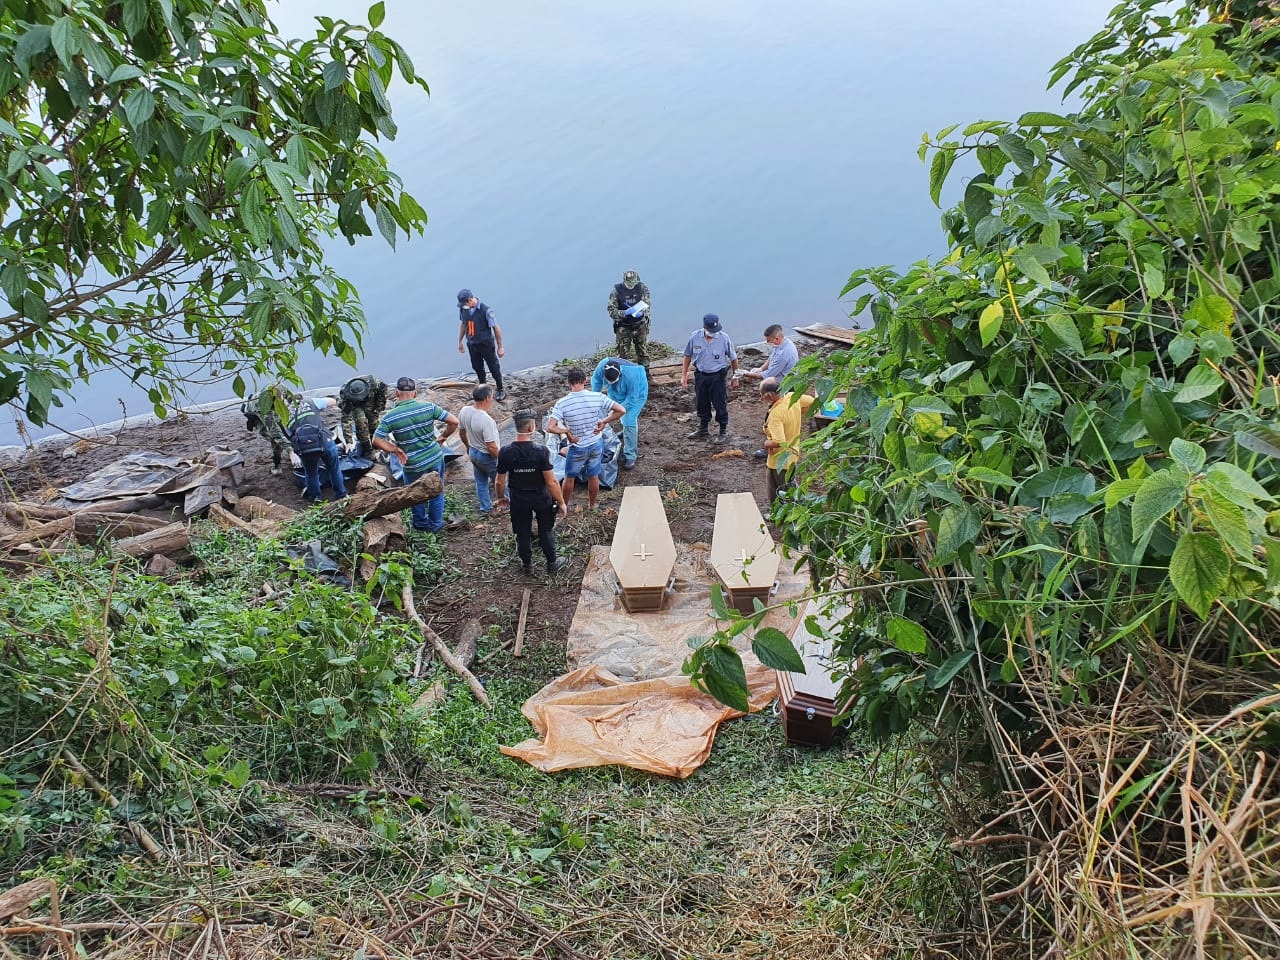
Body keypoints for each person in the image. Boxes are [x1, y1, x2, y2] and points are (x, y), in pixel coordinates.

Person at [371, 376, 459, 533]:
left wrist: (395, 449)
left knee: (415, 493)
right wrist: (443, 437)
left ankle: (420, 524)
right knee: (437, 492)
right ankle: (436, 526)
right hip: (434, 457)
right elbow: (454, 422)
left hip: (412, 464)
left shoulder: (390, 416)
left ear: (396, 393)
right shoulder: (428, 407)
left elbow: (376, 440)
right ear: (415, 393)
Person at [496, 410, 569, 576]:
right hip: (541, 498)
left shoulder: (505, 452)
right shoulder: (541, 451)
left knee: (522, 532)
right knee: (546, 530)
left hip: (518, 498)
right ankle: (552, 564)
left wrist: (501, 498)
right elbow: (551, 481)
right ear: (531, 426)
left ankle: (527, 566)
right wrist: (561, 501)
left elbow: (499, 481)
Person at [546, 367, 625, 510]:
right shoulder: (597, 397)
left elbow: (550, 427)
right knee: (593, 476)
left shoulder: (562, 403)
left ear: (568, 382)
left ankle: (563, 506)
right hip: (596, 443)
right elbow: (621, 410)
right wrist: (605, 421)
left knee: (569, 477)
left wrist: (566, 431)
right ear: (585, 380)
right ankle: (592, 505)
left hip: (577, 447)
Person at [680, 313, 738, 443]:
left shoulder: (724, 338)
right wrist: (684, 375)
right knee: (701, 402)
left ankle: (722, 430)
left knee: (720, 404)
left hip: (717, 376)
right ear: (704, 327)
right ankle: (703, 428)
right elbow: (687, 356)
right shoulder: (695, 337)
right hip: (701, 375)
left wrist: (735, 377)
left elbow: (733, 358)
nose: (713, 333)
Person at [761, 377, 815, 502]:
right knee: (774, 486)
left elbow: (780, 441)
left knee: (786, 489)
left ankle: (795, 511)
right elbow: (812, 401)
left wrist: (766, 443)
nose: (761, 397)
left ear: (769, 395)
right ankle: (777, 513)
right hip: (791, 454)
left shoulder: (776, 414)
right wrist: (799, 413)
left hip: (781, 459)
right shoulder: (792, 397)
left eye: (762, 394)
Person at [589, 356, 648, 471]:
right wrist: (595, 401)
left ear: (620, 374)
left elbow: (632, 399)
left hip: (636, 395)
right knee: (620, 414)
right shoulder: (602, 366)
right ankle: (625, 431)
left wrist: (612, 413)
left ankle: (630, 455)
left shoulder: (633, 376)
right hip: (616, 393)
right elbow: (596, 381)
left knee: (629, 420)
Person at [287, 394, 348, 502]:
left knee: (311, 473)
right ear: (301, 398)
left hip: (305, 447)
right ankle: (341, 495)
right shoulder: (310, 400)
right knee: (334, 469)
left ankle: (316, 499)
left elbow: (288, 435)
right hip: (324, 441)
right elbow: (331, 401)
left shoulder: (285, 413)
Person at [458, 384, 502, 515]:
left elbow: (461, 433)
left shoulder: (464, 411)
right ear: (487, 398)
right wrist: (502, 459)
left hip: (473, 451)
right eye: (492, 397)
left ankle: (485, 507)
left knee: (481, 482)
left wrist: (468, 447)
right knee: (500, 481)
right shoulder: (486, 420)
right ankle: (506, 505)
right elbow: (491, 446)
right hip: (486, 455)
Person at [456, 288, 506, 402]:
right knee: (477, 367)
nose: (463, 306)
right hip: (472, 344)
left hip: (486, 343)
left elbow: (496, 328)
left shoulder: (486, 311)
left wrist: (500, 346)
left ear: (470, 300)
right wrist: (460, 341)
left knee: (493, 366)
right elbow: (463, 324)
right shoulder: (463, 310)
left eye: (464, 304)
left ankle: (500, 388)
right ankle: (483, 388)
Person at [244, 382, 295, 476]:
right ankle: (277, 465)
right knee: (273, 437)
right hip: (255, 413)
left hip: (273, 408)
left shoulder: (281, 387)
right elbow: (274, 432)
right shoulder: (265, 408)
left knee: (286, 428)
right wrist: (290, 451)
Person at [607, 270, 651, 371]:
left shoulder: (642, 288)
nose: (632, 285)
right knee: (623, 354)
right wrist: (625, 313)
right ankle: (623, 375)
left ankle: (646, 375)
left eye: (634, 283)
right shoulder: (616, 291)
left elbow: (647, 303)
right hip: (623, 327)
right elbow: (611, 310)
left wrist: (643, 312)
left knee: (642, 351)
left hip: (640, 325)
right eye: (629, 283)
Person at [338, 374, 388, 457]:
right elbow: (346, 420)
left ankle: (377, 443)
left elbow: (382, 394)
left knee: (373, 422)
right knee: (361, 423)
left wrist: (378, 407)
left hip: (370, 399)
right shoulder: (346, 396)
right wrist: (349, 442)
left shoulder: (376, 384)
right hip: (355, 405)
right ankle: (367, 449)